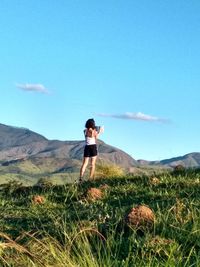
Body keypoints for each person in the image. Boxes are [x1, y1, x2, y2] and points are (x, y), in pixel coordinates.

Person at [79, 118, 103, 183]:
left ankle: (81, 178)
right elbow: (96, 138)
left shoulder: (85, 131)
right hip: (93, 147)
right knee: (92, 164)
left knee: (84, 164)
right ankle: (90, 179)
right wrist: (100, 131)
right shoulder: (94, 131)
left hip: (87, 147)